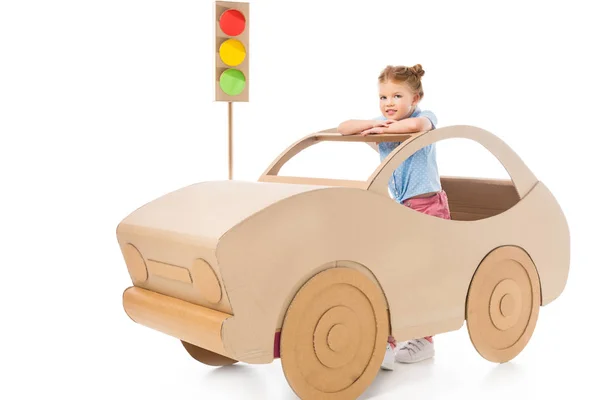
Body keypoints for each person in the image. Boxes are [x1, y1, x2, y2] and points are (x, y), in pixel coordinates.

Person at [337, 64, 451, 371]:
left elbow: (418, 128)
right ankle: (387, 339)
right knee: (387, 270)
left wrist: (385, 130)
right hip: (399, 208)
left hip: (428, 207)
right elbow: (344, 126)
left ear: (415, 98)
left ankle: (424, 340)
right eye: (383, 96)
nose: (389, 103)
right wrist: (370, 126)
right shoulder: (381, 121)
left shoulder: (424, 117)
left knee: (419, 272)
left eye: (397, 96)